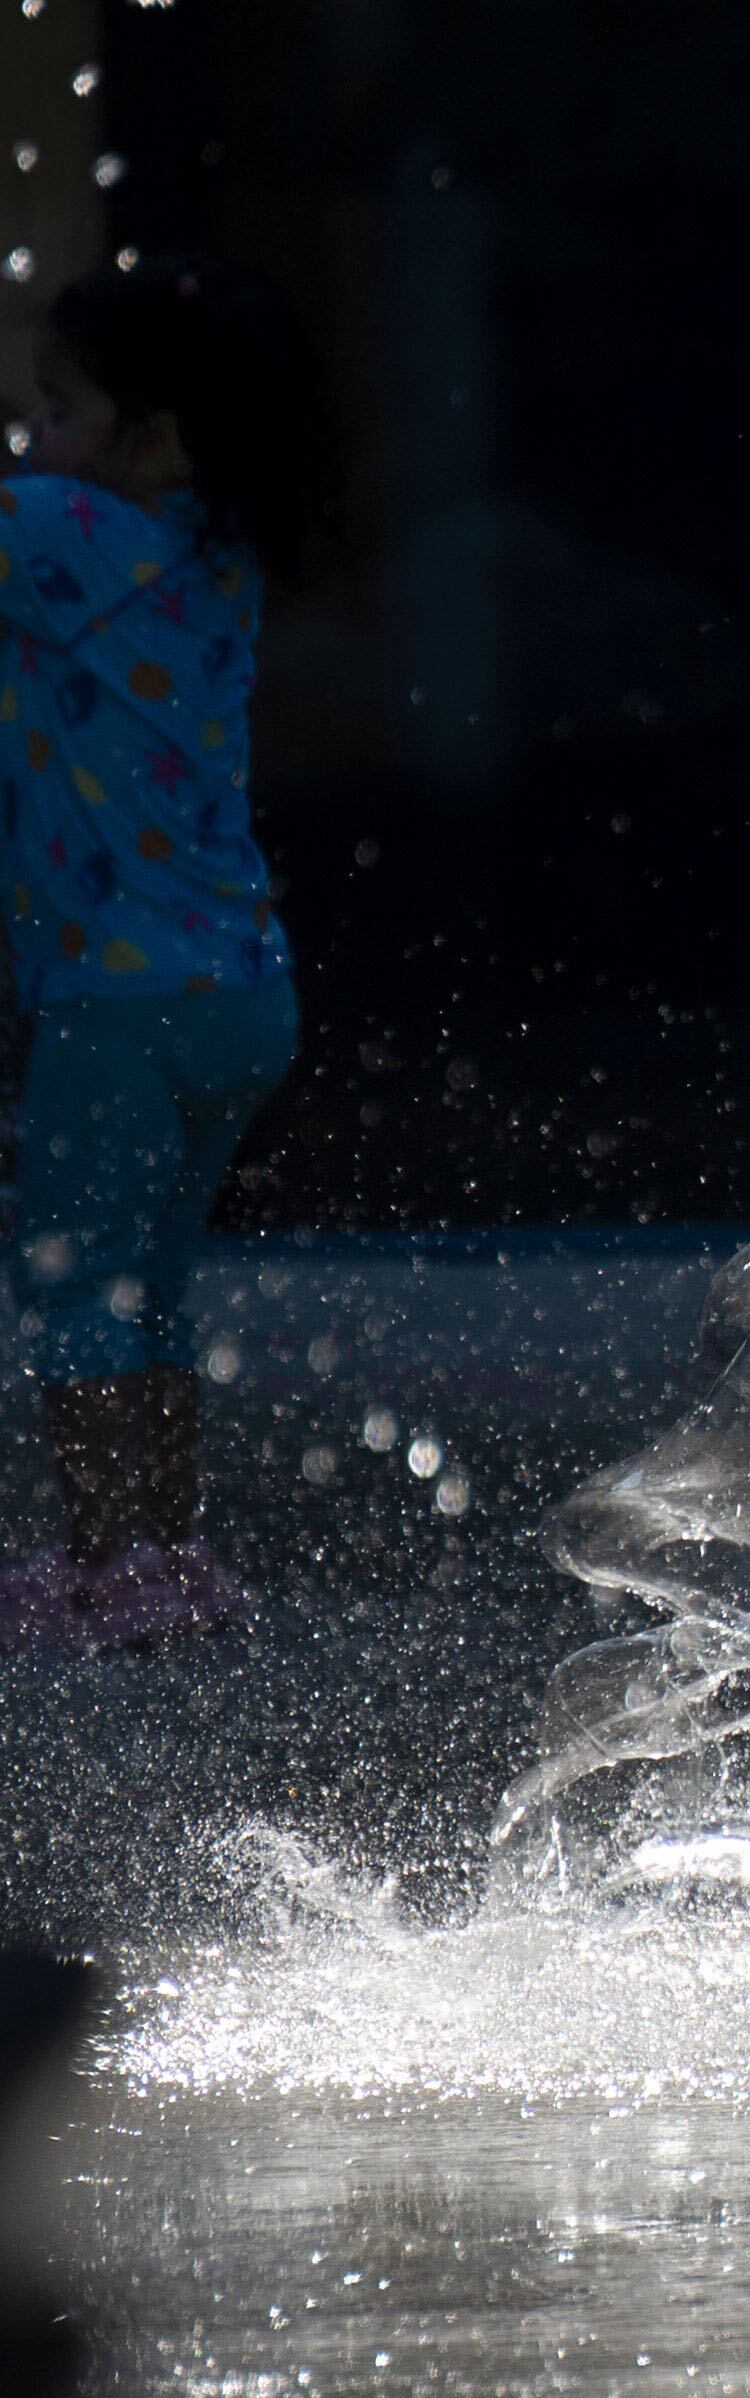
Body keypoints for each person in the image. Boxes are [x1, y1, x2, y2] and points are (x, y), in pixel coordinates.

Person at [0, 255, 326, 1648]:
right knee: (159, 1283)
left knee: (76, 1286)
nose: (33, 437)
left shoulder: (61, 530)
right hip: (240, 990)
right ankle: (175, 1555)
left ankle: (103, 1567)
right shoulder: (218, 547)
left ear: (156, 432)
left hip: (114, 1008)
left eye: (58, 407)